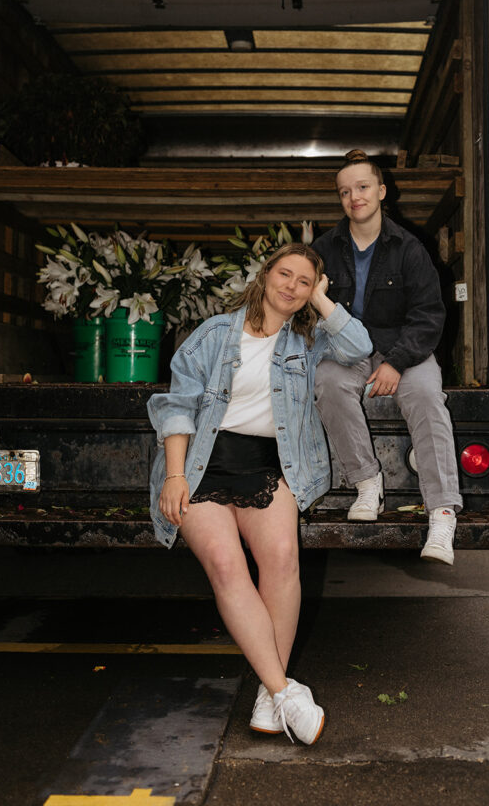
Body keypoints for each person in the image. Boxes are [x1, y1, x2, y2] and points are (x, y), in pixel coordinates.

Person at [148, 242, 371, 745]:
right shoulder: (213, 334)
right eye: (285, 274)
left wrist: (323, 302)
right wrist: (175, 476)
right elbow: (177, 406)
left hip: (268, 465)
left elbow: (358, 347)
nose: (291, 287)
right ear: (265, 274)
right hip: (203, 464)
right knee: (227, 567)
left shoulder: (307, 341)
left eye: (304, 281)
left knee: (283, 559)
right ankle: (283, 691)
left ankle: (269, 698)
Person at [312, 150, 463, 565]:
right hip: (347, 349)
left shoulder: (409, 248)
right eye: (345, 191)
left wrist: (396, 362)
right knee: (326, 382)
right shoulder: (324, 247)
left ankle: (442, 513)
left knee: (428, 398)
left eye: (362, 187)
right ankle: (366, 483)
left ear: (381, 191)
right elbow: (304, 303)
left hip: (405, 348)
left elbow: (429, 315)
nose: (353, 196)